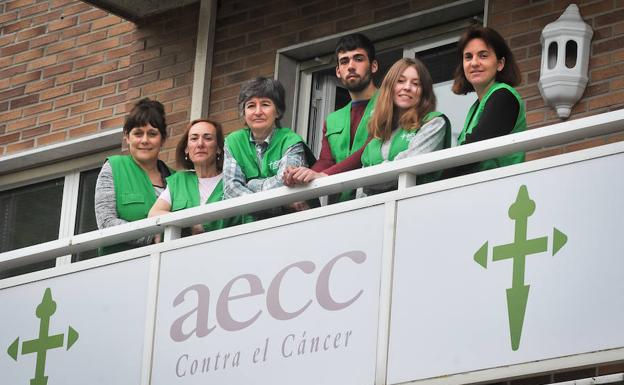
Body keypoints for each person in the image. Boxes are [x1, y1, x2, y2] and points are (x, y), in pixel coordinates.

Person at [283, 33, 378, 201]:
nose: (350, 66)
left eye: (358, 59)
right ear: (338, 72)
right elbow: (326, 160)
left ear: (373, 66)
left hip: (375, 198)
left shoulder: (389, 104)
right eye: (344, 61)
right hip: (340, 207)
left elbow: (369, 150)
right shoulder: (333, 119)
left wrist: (323, 175)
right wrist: (302, 175)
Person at [223, 77, 315, 219]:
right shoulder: (233, 142)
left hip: (294, 222)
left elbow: (286, 187)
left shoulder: (291, 140)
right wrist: (281, 204)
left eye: (265, 104)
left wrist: (251, 184)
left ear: (277, 112)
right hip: (250, 229)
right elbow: (231, 190)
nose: (258, 112)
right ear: (244, 113)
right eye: (251, 106)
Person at [358, 57, 450, 197]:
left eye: (415, 83)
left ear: (423, 92)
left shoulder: (433, 123)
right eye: (400, 81)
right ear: (389, 87)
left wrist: (372, 176)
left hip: (419, 207)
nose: (407, 87)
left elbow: (407, 166)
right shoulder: (375, 139)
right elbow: (360, 191)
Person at [94, 98, 173, 255]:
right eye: (138, 133)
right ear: (127, 137)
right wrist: (151, 235)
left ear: (163, 139)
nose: (144, 140)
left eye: (152, 134)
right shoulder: (114, 167)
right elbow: (106, 223)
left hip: (168, 265)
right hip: (121, 267)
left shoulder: (176, 178)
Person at [445, 25, 526, 177]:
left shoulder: (504, 96)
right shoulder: (475, 107)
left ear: (500, 63)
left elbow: (473, 152)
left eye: (483, 55)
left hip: (500, 189)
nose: (474, 63)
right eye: (468, 57)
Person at [148, 119, 241, 238]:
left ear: (218, 148)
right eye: (194, 138)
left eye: (207, 138)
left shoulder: (232, 179)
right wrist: (190, 223)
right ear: (186, 149)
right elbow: (154, 214)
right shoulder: (178, 181)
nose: (200, 144)